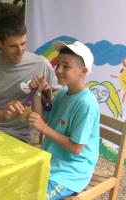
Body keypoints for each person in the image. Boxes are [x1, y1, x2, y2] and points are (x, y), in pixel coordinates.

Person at [28, 41, 100, 199]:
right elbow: (43, 119)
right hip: (50, 162)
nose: (58, 70)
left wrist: (44, 129)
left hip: (71, 173)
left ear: (83, 71)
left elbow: (76, 148)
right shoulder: (62, 93)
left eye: (66, 66)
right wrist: (38, 93)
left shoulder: (86, 104)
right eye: (58, 64)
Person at [0, 14, 59, 144]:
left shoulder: (41, 64)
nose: (20, 51)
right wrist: (3, 114)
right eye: (13, 46)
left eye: (23, 43)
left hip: (21, 138)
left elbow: (59, 102)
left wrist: (45, 93)